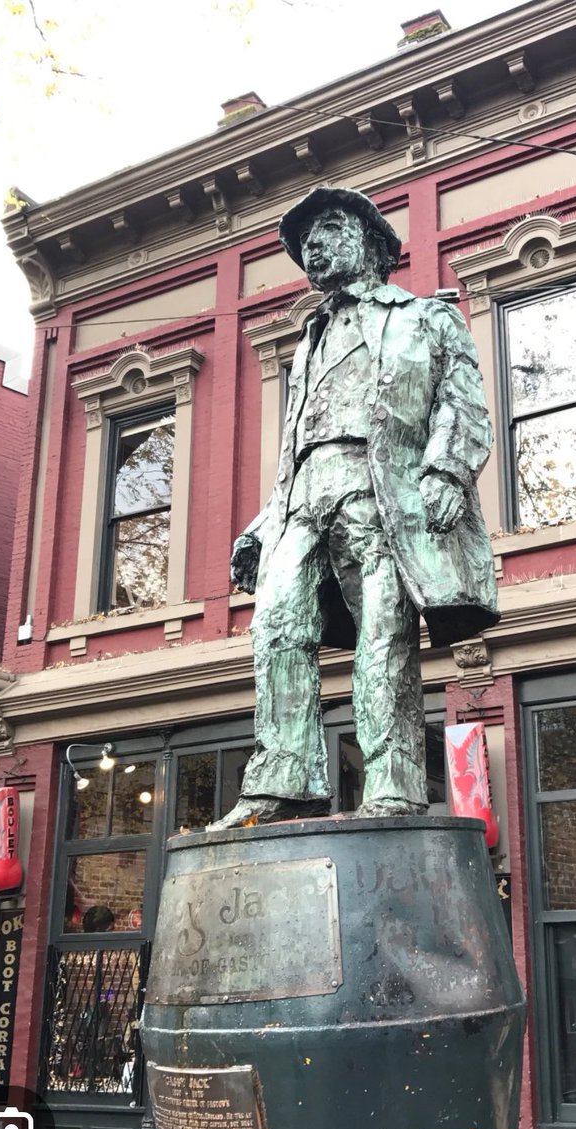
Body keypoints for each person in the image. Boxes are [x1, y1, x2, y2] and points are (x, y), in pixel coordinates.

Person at [211, 187, 499, 828]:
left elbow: (463, 404)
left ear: (371, 239)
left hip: (382, 493)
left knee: (383, 637)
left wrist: (447, 471)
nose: (311, 246)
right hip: (303, 501)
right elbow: (296, 444)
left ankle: (394, 783)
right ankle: (286, 778)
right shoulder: (308, 340)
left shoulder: (426, 318)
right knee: (277, 626)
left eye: (327, 228)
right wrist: (261, 526)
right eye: (302, 241)